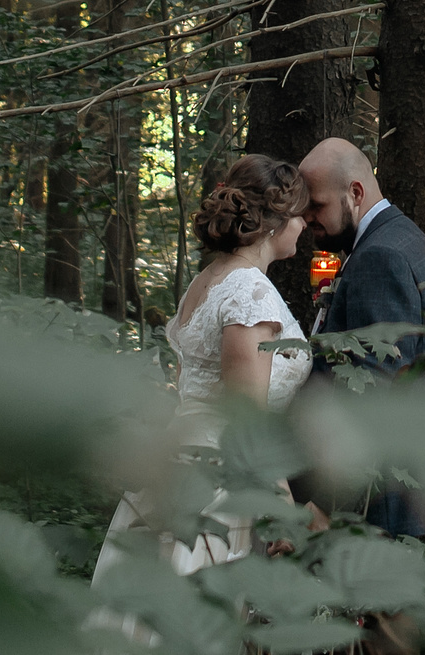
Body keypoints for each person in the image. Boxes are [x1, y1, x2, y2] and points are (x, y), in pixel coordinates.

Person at [91, 154, 313, 587]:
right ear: (274, 221)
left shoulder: (208, 279)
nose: (305, 225)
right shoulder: (250, 292)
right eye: (299, 215)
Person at [298, 137, 425, 537]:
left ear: (355, 193)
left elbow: (371, 390)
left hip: (379, 502)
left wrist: (328, 505)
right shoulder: (397, 237)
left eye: (316, 205)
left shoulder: (380, 257)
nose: (306, 217)